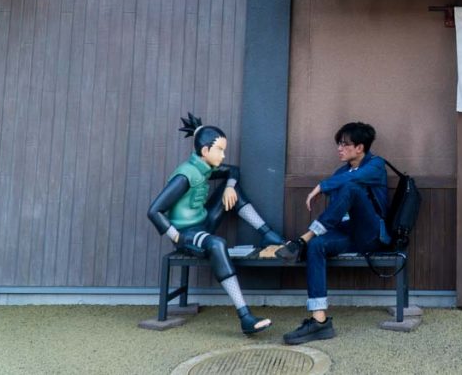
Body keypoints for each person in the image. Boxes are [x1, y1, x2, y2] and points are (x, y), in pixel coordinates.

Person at [147, 113, 297, 335]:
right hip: (186, 234)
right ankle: (245, 315)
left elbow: (233, 170)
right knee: (217, 244)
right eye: (220, 150)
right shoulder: (185, 175)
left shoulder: (205, 167)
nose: (223, 154)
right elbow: (154, 210)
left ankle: (267, 234)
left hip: (202, 223)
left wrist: (228, 187)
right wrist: (176, 236)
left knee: (233, 189)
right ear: (205, 151)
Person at [283, 121, 390, 345]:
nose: (339, 148)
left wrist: (321, 186)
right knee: (317, 246)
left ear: (360, 147)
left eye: (344, 144)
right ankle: (319, 321)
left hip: (370, 234)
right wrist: (327, 186)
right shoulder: (340, 171)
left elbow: (350, 182)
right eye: (338, 144)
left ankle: (306, 236)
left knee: (351, 187)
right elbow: (338, 207)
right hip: (347, 233)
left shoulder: (375, 165)